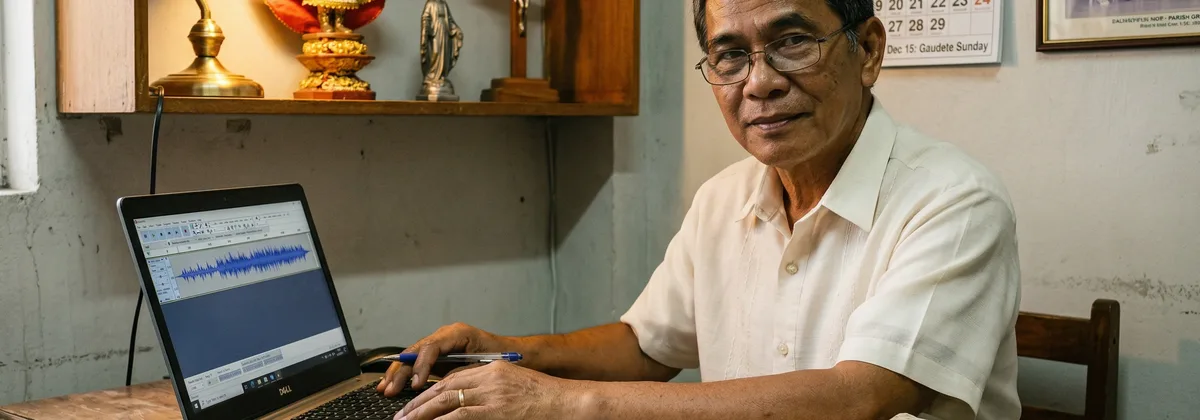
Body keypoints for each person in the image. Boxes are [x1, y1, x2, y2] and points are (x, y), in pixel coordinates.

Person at [380, 0, 1022, 419]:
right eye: (730, 54)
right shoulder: (725, 197)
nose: (760, 82)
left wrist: (563, 403)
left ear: (870, 51)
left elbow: (861, 397)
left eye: (793, 41)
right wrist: (503, 351)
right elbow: (644, 346)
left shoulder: (955, 202)